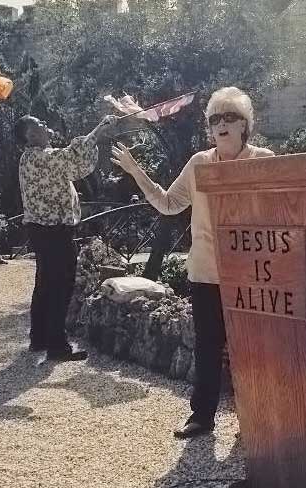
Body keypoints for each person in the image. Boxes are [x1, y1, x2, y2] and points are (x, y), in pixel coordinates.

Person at [111, 87, 275, 439]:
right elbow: (169, 204)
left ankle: (256, 419)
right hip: (206, 271)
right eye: (215, 118)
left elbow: (279, 211)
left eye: (229, 117)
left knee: (252, 348)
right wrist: (136, 172)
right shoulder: (199, 163)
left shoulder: (262, 159)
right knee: (207, 346)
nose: (221, 124)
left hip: (250, 274)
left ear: (244, 124)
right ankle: (202, 417)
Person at [15, 113, 117, 361]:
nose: (45, 124)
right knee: (60, 285)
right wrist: (99, 130)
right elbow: (73, 161)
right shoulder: (39, 157)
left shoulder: (33, 158)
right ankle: (57, 345)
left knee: (45, 285)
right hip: (53, 231)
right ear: (30, 135)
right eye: (39, 123)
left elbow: (68, 159)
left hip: (43, 230)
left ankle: (39, 338)